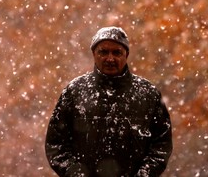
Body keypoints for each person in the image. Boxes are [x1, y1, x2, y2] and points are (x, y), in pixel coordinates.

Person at [45, 26, 173, 177]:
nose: (110, 58)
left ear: (126, 54)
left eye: (117, 52)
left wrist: (144, 174)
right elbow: (55, 144)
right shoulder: (74, 92)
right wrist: (76, 173)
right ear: (94, 54)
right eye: (103, 52)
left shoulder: (148, 94)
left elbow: (161, 145)